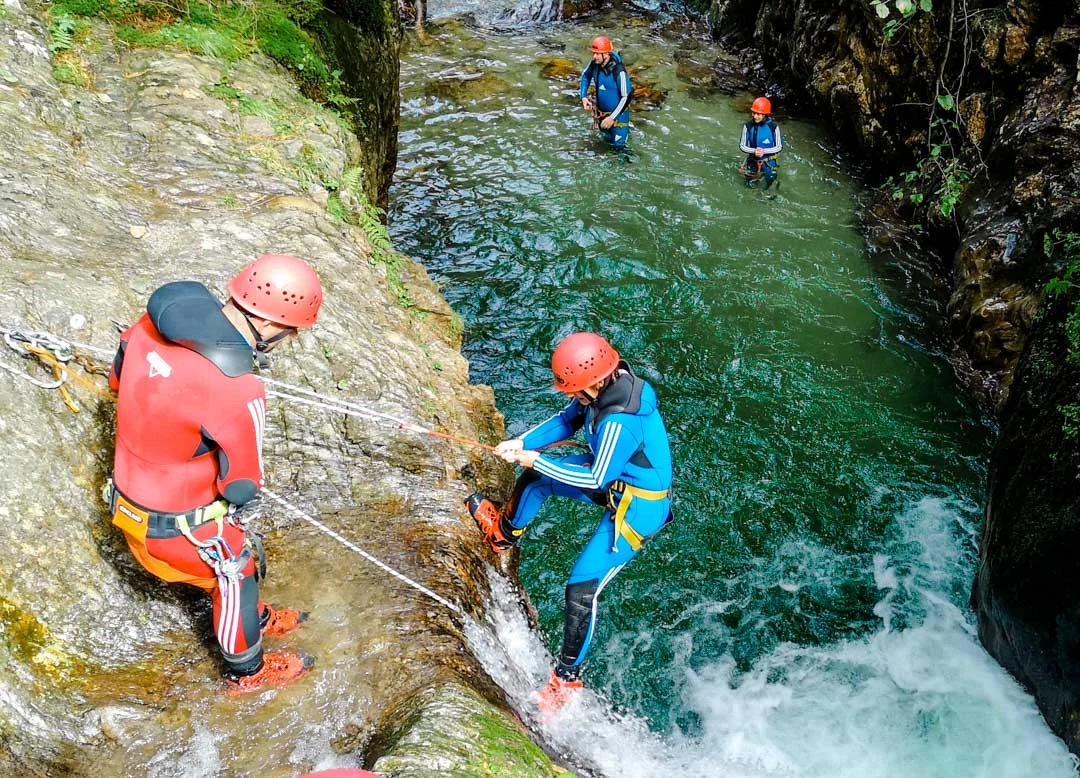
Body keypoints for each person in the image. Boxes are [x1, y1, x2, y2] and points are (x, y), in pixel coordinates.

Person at [106, 253, 323, 693]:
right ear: (269, 326)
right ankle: (246, 672)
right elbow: (242, 486)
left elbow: (116, 377)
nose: (291, 338)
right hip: (168, 533)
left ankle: (253, 617)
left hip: (126, 499)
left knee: (228, 561)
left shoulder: (153, 324)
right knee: (237, 568)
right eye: (291, 332)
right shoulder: (238, 388)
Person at [466, 332, 673, 713]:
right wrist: (522, 443)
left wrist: (536, 459)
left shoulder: (619, 421)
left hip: (637, 507)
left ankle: (566, 680)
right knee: (537, 479)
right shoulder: (598, 390)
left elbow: (598, 479)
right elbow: (566, 422)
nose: (569, 395)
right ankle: (502, 536)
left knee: (580, 591)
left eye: (573, 389)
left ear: (595, 381)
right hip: (618, 483)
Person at [579, 36, 633, 150]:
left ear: (606, 54)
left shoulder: (619, 71)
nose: (594, 56)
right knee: (606, 143)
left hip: (619, 119)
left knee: (619, 148)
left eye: (598, 54)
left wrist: (612, 118)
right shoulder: (594, 64)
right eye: (594, 53)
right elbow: (586, 76)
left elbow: (627, 97)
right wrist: (583, 96)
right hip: (602, 116)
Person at [739, 96, 782, 190]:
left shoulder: (773, 126)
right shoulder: (748, 126)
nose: (755, 116)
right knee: (749, 185)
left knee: (770, 179)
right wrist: (754, 151)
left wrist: (764, 151)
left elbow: (779, 147)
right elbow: (742, 146)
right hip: (753, 160)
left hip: (768, 161)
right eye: (754, 113)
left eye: (758, 114)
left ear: (765, 114)